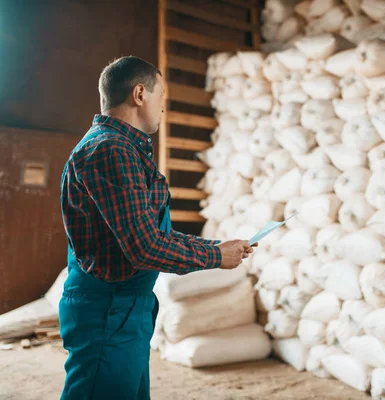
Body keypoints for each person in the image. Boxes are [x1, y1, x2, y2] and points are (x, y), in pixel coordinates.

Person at [58, 55, 254, 400]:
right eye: (160, 96)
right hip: (109, 309)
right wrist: (214, 256)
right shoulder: (111, 150)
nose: (162, 107)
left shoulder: (121, 149)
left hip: (124, 306)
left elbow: (148, 233)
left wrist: (219, 247)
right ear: (139, 94)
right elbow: (145, 246)